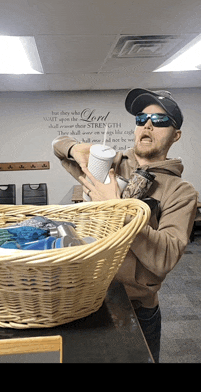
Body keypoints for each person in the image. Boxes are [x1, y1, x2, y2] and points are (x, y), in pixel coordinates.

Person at [52, 88, 197, 362]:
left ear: (175, 135)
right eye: (141, 118)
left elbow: (165, 257)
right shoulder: (109, 162)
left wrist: (118, 208)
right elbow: (59, 146)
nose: (148, 124)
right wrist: (75, 148)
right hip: (84, 296)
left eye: (160, 120)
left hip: (137, 308)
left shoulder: (181, 192)